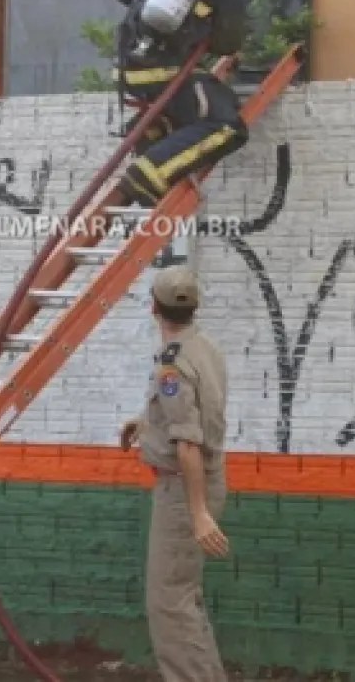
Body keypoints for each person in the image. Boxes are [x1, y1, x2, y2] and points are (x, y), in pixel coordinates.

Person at [112, 0, 260, 208]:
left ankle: (149, 132)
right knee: (226, 125)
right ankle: (149, 174)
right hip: (167, 72)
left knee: (191, 103)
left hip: (128, 68)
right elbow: (227, 42)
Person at [120, 265, 230, 682]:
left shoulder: (173, 365)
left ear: (153, 307)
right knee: (184, 600)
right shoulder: (205, 349)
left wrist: (197, 512)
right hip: (200, 482)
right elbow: (198, 414)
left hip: (183, 491)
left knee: (169, 604)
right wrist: (146, 424)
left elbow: (188, 443)